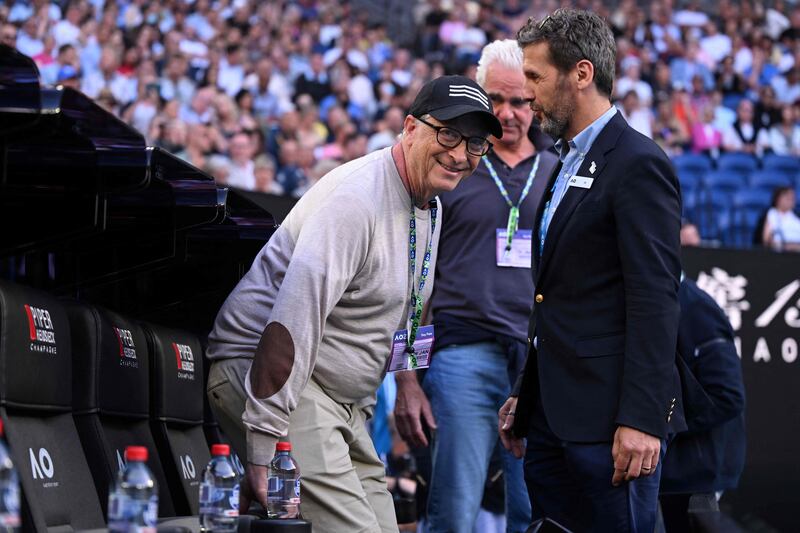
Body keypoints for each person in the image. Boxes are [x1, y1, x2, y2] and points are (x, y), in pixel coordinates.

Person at [205, 75, 502, 531]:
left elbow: (414, 301)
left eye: (476, 144)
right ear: (409, 127)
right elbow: (292, 321)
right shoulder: (356, 198)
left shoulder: (432, 205)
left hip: (339, 401)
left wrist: (406, 383)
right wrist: (264, 444)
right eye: (448, 134)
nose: (461, 154)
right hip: (272, 380)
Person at [498, 10, 685, 532]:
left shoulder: (637, 162)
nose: (525, 92)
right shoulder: (564, 163)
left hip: (611, 430)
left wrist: (643, 420)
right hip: (554, 422)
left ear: (581, 74)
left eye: (534, 77)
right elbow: (555, 298)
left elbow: (655, 299)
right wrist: (525, 392)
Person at [393, 39, 558, 533]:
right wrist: (407, 376)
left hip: (537, 364)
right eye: (497, 100)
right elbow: (415, 281)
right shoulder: (450, 164)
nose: (508, 113)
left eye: (520, 101)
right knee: (455, 510)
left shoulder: (559, 172)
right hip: (463, 352)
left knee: (535, 514)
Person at [658, 280, 746, 532]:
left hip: (697, 476)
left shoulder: (695, 308)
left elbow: (728, 395)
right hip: (678, 474)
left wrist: (662, 425)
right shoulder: (674, 301)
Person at [762, 186, 800, 251]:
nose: (792, 201)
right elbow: (766, 239)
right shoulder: (771, 214)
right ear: (778, 199)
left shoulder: (797, 216)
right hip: (780, 252)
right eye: (788, 198)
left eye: (793, 199)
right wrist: (785, 246)